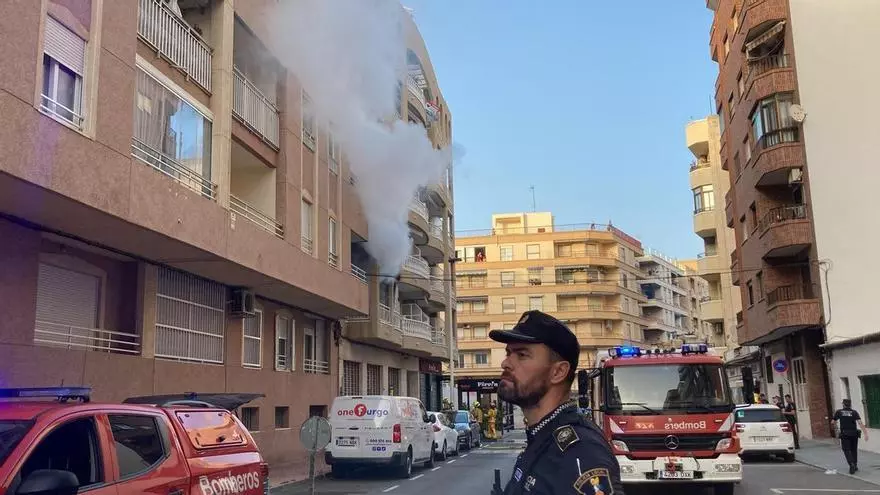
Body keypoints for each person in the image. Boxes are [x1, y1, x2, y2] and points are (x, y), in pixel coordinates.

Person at [488, 310, 622, 495]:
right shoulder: (543, 436)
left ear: (558, 372)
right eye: (508, 353)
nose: (506, 363)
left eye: (522, 355)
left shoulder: (582, 451)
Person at [831, 399, 869, 474]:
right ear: (850, 405)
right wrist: (866, 434)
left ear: (843, 404)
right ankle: (855, 465)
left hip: (845, 434)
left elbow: (833, 422)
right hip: (854, 434)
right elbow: (860, 423)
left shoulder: (839, 412)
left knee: (846, 450)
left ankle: (851, 464)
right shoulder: (854, 412)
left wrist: (836, 429)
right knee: (853, 450)